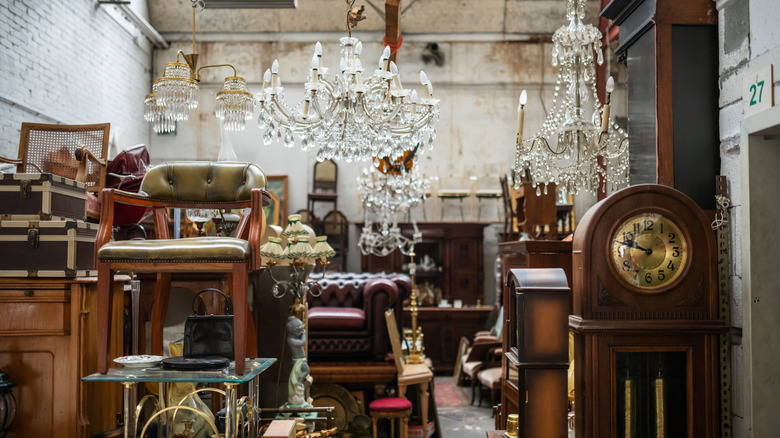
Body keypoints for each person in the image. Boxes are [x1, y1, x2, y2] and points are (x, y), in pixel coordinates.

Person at [286, 315, 310, 406]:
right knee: (307, 370)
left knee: (303, 372)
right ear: (294, 331)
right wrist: (304, 334)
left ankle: (299, 382)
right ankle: (299, 381)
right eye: (299, 331)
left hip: (300, 359)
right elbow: (302, 342)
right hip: (298, 361)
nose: (301, 332)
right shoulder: (291, 340)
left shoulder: (294, 338)